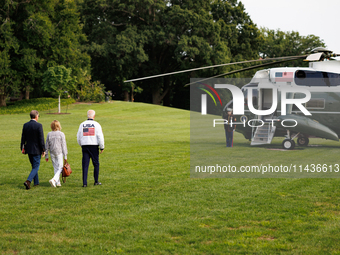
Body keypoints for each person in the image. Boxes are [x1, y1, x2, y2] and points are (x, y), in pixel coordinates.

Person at [77, 110, 104, 187]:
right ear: (94, 116)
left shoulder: (82, 124)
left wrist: (81, 144)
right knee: (96, 163)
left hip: (85, 145)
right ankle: (96, 181)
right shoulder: (97, 124)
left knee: (85, 165)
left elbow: (78, 136)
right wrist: (102, 146)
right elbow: (100, 136)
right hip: (94, 146)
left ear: (87, 115)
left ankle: (84, 183)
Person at [21, 110, 46, 189]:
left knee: (34, 166)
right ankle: (28, 181)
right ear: (36, 116)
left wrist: (22, 147)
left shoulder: (25, 125)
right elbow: (41, 139)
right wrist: (43, 149)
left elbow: (23, 138)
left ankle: (36, 182)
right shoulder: (39, 125)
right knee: (36, 167)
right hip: (37, 149)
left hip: (28, 149)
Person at [45, 120, 68, 188]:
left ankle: (58, 183)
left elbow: (47, 145)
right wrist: (65, 155)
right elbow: (64, 145)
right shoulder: (61, 134)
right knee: (60, 167)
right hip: (59, 152)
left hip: (52, 152)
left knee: (56, 167)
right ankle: (54, 180)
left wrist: (46, 155)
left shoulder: (49, 134)